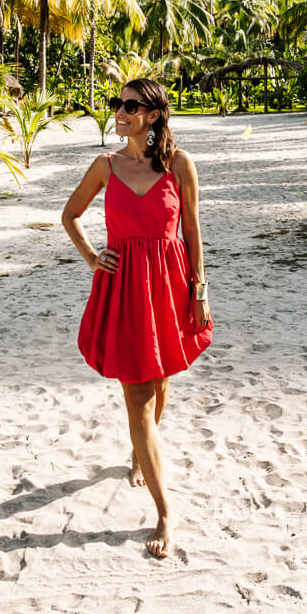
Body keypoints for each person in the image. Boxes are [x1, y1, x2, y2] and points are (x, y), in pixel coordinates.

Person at [61, 78, 213, 558]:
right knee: (141, 399)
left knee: (162, 381)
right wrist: (91, 257)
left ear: (152, 114)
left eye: (130, 105)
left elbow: (192, 232)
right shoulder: (105, 166)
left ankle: (139, 452)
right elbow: (70, 215)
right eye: (117, 104)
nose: (120, 111)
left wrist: (199, 291)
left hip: (168, 288)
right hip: (124, 289)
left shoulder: (180, 164)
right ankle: (166, 511)